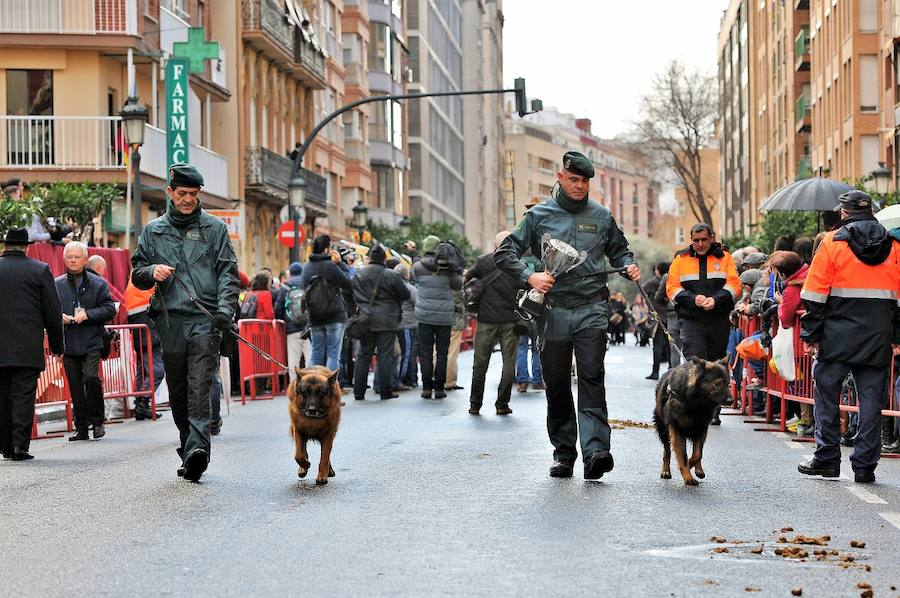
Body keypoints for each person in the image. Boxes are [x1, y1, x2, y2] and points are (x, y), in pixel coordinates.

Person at [495, 150, 641, 480]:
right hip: (553, 311)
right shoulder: (537, 216)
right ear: (560, 178)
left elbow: (620, 250)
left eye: (584, 181)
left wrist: (628, 264)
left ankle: (596, 451)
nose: (579, 186)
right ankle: (564, 453)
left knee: (591, 375)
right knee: (558, 383)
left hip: (591, 308)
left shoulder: (602, 216)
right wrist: (529, 276)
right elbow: (504, 253)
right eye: (573, 180)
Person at [131, 163, 240, 482]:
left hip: (205, 322)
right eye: (182, 193)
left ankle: (198, 451)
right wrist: (152, 272)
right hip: (170, 322)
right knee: (178, 390)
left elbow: (228, 273)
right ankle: (188, 446)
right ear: (170, 193)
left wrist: (225, 310)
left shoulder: (215, 229)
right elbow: (137, 275)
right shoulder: (153, 232)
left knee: (199, 387)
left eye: (193, 194)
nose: (188, 199)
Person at [797, 190, 900, 484]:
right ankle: (865, 465)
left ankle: (827, 458)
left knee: (826, 393)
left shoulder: (831, 243)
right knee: (871, 400)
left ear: (844, 213)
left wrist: (811, 335)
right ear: (872, 212)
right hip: (877, 334)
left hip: (836, 334)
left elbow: (814, 294)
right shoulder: (894, 246)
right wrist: (897, 336)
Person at [0, 228, 64, 461]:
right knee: (23, 397)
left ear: (5, 246)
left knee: (2, 396)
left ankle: (5, 445)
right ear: (27, 247)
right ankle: (19, 446)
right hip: (27, 347)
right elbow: (53, 312)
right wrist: (58, 347)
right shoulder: (39, 270)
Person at [666, 223, 740, 425]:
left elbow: (734, 284)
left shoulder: (724, 258)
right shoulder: (681, 259)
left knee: (717, 364)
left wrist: (716, 300)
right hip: (692, 319)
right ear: (691, 240)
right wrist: (693, 299)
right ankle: (694, 404)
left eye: (704, 240)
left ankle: (713, 409)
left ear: (712, 238)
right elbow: (672, 288)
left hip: (718, 318)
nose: (700, 244)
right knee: (695, 360)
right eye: (696, 240)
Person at [55, 241, 117, 441]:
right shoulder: (57, 284)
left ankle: (98, 422)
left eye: (77, 257)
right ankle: (81, 426)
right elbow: (48, 309)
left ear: (85, 259)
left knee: (91, 378)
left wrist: (88, 314)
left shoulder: (98, 283)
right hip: (69, 341)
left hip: (92, 339)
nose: (73, 260)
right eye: (69, 257)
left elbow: (109, 308)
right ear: (64, 260)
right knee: (74, 385)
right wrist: (59, 316)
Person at [466, 231, 521, 416]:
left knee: (480, 363)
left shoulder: (483, 261)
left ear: (495, 245)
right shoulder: (517, 263)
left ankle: (475, 404)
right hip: (510, 321)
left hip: (486, 320)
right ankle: (502, 404)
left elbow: (468, 278)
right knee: (509, 363)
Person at [351, 244, 410, 401]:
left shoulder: (359, 274)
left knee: (364, 355)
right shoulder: (391, 275)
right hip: (387, 320)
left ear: (370, 258)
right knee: (385, 355)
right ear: (384, 259)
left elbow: (353, 295)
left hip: (365, 319)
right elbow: (405, 294)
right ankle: (385, 391)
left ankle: (359, 392)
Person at [413, 235, 462, 399]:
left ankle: (426, 388)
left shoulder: (418, 267)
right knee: (442, 353)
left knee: (425, 352)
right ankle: (439, 389)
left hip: (424, 315)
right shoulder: (448, 270)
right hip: (444, 318)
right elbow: (458, 285)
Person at [301, 235, 352, 372]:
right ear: (326, 249)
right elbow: (348, 283)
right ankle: (329, 388)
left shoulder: (306, 267)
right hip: (334, 315)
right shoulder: (330, 266)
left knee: (316, 354)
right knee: (333, 354)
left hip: (315, 317)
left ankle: (312, 385)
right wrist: (340, 263)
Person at [123, 279, 165, 421]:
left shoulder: (135, 278)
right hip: (148, 324)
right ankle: (142, 402)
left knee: (143, 369)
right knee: (156, 371)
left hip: (139, 325)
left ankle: (141, 405)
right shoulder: (151, 273)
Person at [275, 261, 312, 382]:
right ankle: (311, 383)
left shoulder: (285, 287)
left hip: (292, 329)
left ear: (290, 273)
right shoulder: (307, 283)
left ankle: (294, 386)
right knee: (310, 357)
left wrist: (284, 320)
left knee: (293, 359)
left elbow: (278, 308)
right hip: (307, 327)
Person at [644, 261, 671, 380]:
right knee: (670, 346)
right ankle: (672, 370)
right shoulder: (670, 280)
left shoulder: (652, 281)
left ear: (657, 270)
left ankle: (655, 372)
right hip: (669, 315)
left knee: (657, 345)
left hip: (657, 317)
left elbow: (643, 290)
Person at [394, 263, 418, 390]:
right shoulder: (410, 289)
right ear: (406, 275)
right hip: (407, 324)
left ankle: (408, 378)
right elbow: (418, 304)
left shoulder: (391, 286)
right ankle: (403, 379)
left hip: (395, 323)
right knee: (407, 353)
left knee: (398, 353)